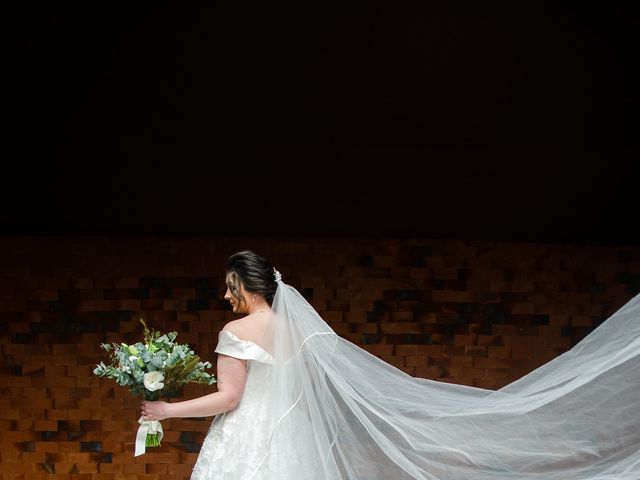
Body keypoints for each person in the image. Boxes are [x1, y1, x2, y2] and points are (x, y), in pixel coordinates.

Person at [141, 249, 640, 479]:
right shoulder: (300, 329)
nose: (225, 294)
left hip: (248, 440)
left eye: (230, 285)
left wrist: (166, 410)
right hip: (295, 438)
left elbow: (230, 398)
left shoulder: (235, 332)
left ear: (246, 286)